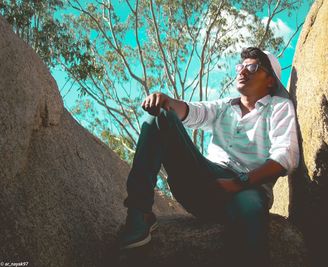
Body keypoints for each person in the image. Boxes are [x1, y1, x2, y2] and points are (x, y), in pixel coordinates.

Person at [119, 47, 299, 265]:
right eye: (240, 67)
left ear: (270, 81)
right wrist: (165, 101)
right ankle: (139, 215)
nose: (242, 71)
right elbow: (192, 112)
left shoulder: (279, 107)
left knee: (250, 210)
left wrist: (238, 182)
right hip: (207, 183)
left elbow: (285, 157)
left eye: (252, 67)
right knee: (159, 117)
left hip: (248, 188)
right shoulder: (224, 106)